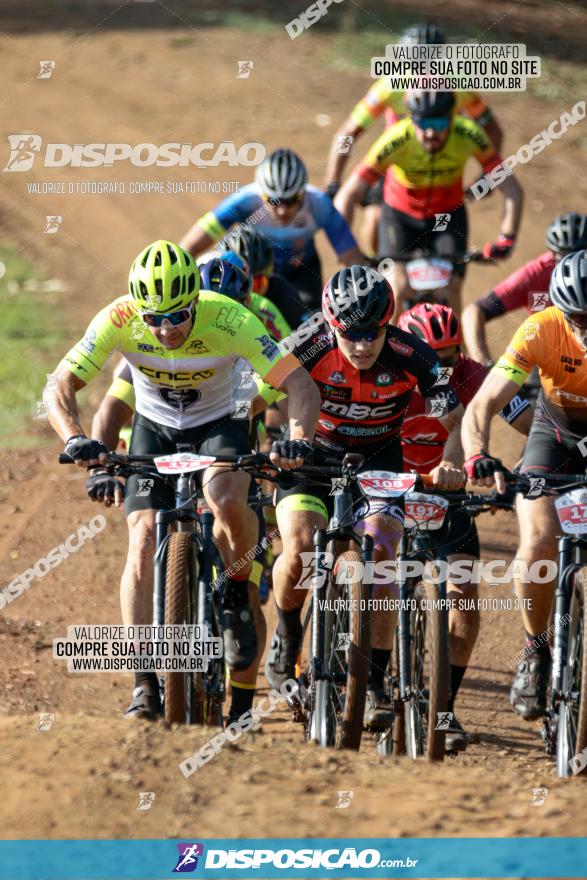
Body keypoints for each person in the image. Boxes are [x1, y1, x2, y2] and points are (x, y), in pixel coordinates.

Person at [44, 239, 320, 723]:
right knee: (143, 536)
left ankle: (236, 587)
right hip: (155, 427)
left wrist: (296, 439)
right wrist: (76, 439)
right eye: (154, 319)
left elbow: (298, 383)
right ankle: (145, 682)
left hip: (220, 421)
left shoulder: (231, 319)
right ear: (138, 310)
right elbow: (60, 384)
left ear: (196, 300)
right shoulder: (118, 317)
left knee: (226, 497)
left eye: (177, 316)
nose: (166, 329)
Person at [263, 265, 466, 731]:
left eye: (371, 333)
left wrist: (451, 461)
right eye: (350, 334)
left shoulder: (409, 353)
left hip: (379, 459)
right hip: (312, 458)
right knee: (298, 547)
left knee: (383, 554)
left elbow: (454, 418)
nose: (361, 345)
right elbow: (255, 395)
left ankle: (373, 682)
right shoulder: (308, 343)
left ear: (388, 323)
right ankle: (289, 635)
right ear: (331, 324)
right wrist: (266, 442)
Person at [398, 303, 532, 749]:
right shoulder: (393, 372)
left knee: (464, 606)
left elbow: (531, 423)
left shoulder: (473, 374)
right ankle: (364, 681)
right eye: (432, 356)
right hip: (390, 490)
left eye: (451, 355)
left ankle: (443, 710)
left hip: (448, 496)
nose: (443, 366)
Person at [461, 249, 587, 720]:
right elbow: (483, 403)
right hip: (555, 436)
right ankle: (536, 652)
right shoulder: (540, 328)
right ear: (559, 310)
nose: (586, 328)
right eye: (577, 318)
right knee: (537, 542)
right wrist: (477, 453)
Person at [335, 90, 523, 319]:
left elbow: (512, 189)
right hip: (400, 216)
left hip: (447, 216)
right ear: (410, 117)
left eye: (439, 121)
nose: (431, 132)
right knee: (396, 287)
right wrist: (344, 246)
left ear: (453, 117)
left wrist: (507, 237)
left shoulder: (468, 134)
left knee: (450, 290)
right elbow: (348, 194)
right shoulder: (396, 138)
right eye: (423, 122)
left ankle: (456, 353)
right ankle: (387, 352)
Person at [325, 23, 503, 254]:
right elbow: (347, 135)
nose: (423, 73)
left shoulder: (459, 87)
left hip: (440, 165)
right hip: (396, 159)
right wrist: (333, 183)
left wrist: (488, 176)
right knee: (375, 222)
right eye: (414, 65)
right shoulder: (389, 87)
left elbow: (493, 130)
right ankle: (378, 276)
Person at [180, 148, 365, 311]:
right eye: (273, 200)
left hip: (300, 271)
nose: (282, 209)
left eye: (291, 200)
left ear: (304, 192)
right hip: (252, 271)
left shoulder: (320, 205)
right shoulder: (244, 201)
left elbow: (353, 259)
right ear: (261, 193)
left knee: (310, 327)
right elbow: (190, 246)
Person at [462, 213, 587, 366]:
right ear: (552, 254)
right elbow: (474, 311)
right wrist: (483, 363)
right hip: (550, 355)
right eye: (565, 259)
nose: (575, 264)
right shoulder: (534, 275)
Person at [219, 228, 307, 329]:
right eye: (240, 284)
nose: (249, 295)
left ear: (270, 271)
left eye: (257, 284)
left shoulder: (281, 289)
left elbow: (304, 328)